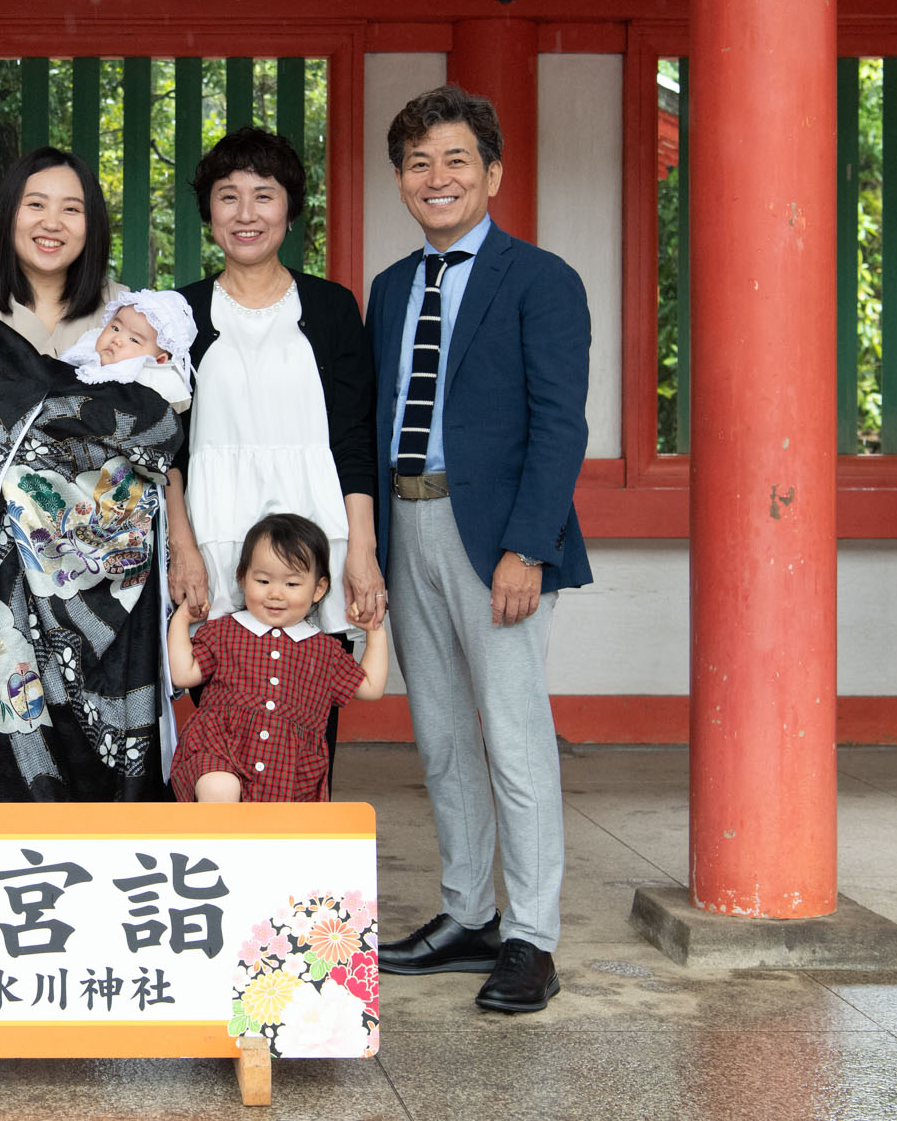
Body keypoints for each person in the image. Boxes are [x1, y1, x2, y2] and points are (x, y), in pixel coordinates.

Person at [367, 84, 592, 1016]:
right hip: (406, 523)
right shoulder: (387, 288)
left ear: (492, 173)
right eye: (418, 163)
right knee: (444, 734)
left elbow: (560, 424)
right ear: (401, 181)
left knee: (515, 736)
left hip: (495, 534)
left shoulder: (542, 280)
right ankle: (467, 912)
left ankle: (531, 934)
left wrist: (526, 548)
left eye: (456, 159)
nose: (437, 177)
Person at [0, 147, 185, 801]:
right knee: (22, 736)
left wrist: (185, 541)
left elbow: (164, 436)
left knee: (118, 744)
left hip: (117, 573)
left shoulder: (126, 316)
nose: (53, 221)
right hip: (11, 570)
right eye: (36, 204)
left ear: (92, 224)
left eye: (72, 208)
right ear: (9, 216)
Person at [168, 127, 386, 644]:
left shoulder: (332, 308)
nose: (246, 214)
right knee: (220, 716)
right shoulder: (178, 313)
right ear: (209, 213)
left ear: (289, 211)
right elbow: (166, 448)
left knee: (311, 711)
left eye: (264, 196)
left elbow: (354, 438)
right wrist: (184, 549)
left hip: (316, 545)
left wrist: (361, 548)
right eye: (229, 198)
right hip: (215, 541)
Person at [168, 513, 389, 803]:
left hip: (289, 770)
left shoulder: (324, 651)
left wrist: (375, 631)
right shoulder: (223, 632)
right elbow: (183, 674)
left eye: (292, 584)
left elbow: (371, 687)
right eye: (263, 580)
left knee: (276, 835)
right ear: (242, 578)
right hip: (222, 751)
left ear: (318, 589)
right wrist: (181, 620)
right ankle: (217, 846)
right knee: (219, 788)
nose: (275, 593)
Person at [58, 288, 197, 415]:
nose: (117, 339)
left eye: (134, 340)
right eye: (115, 328)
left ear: (158, 360)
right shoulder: (86, 353)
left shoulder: (149, 383)